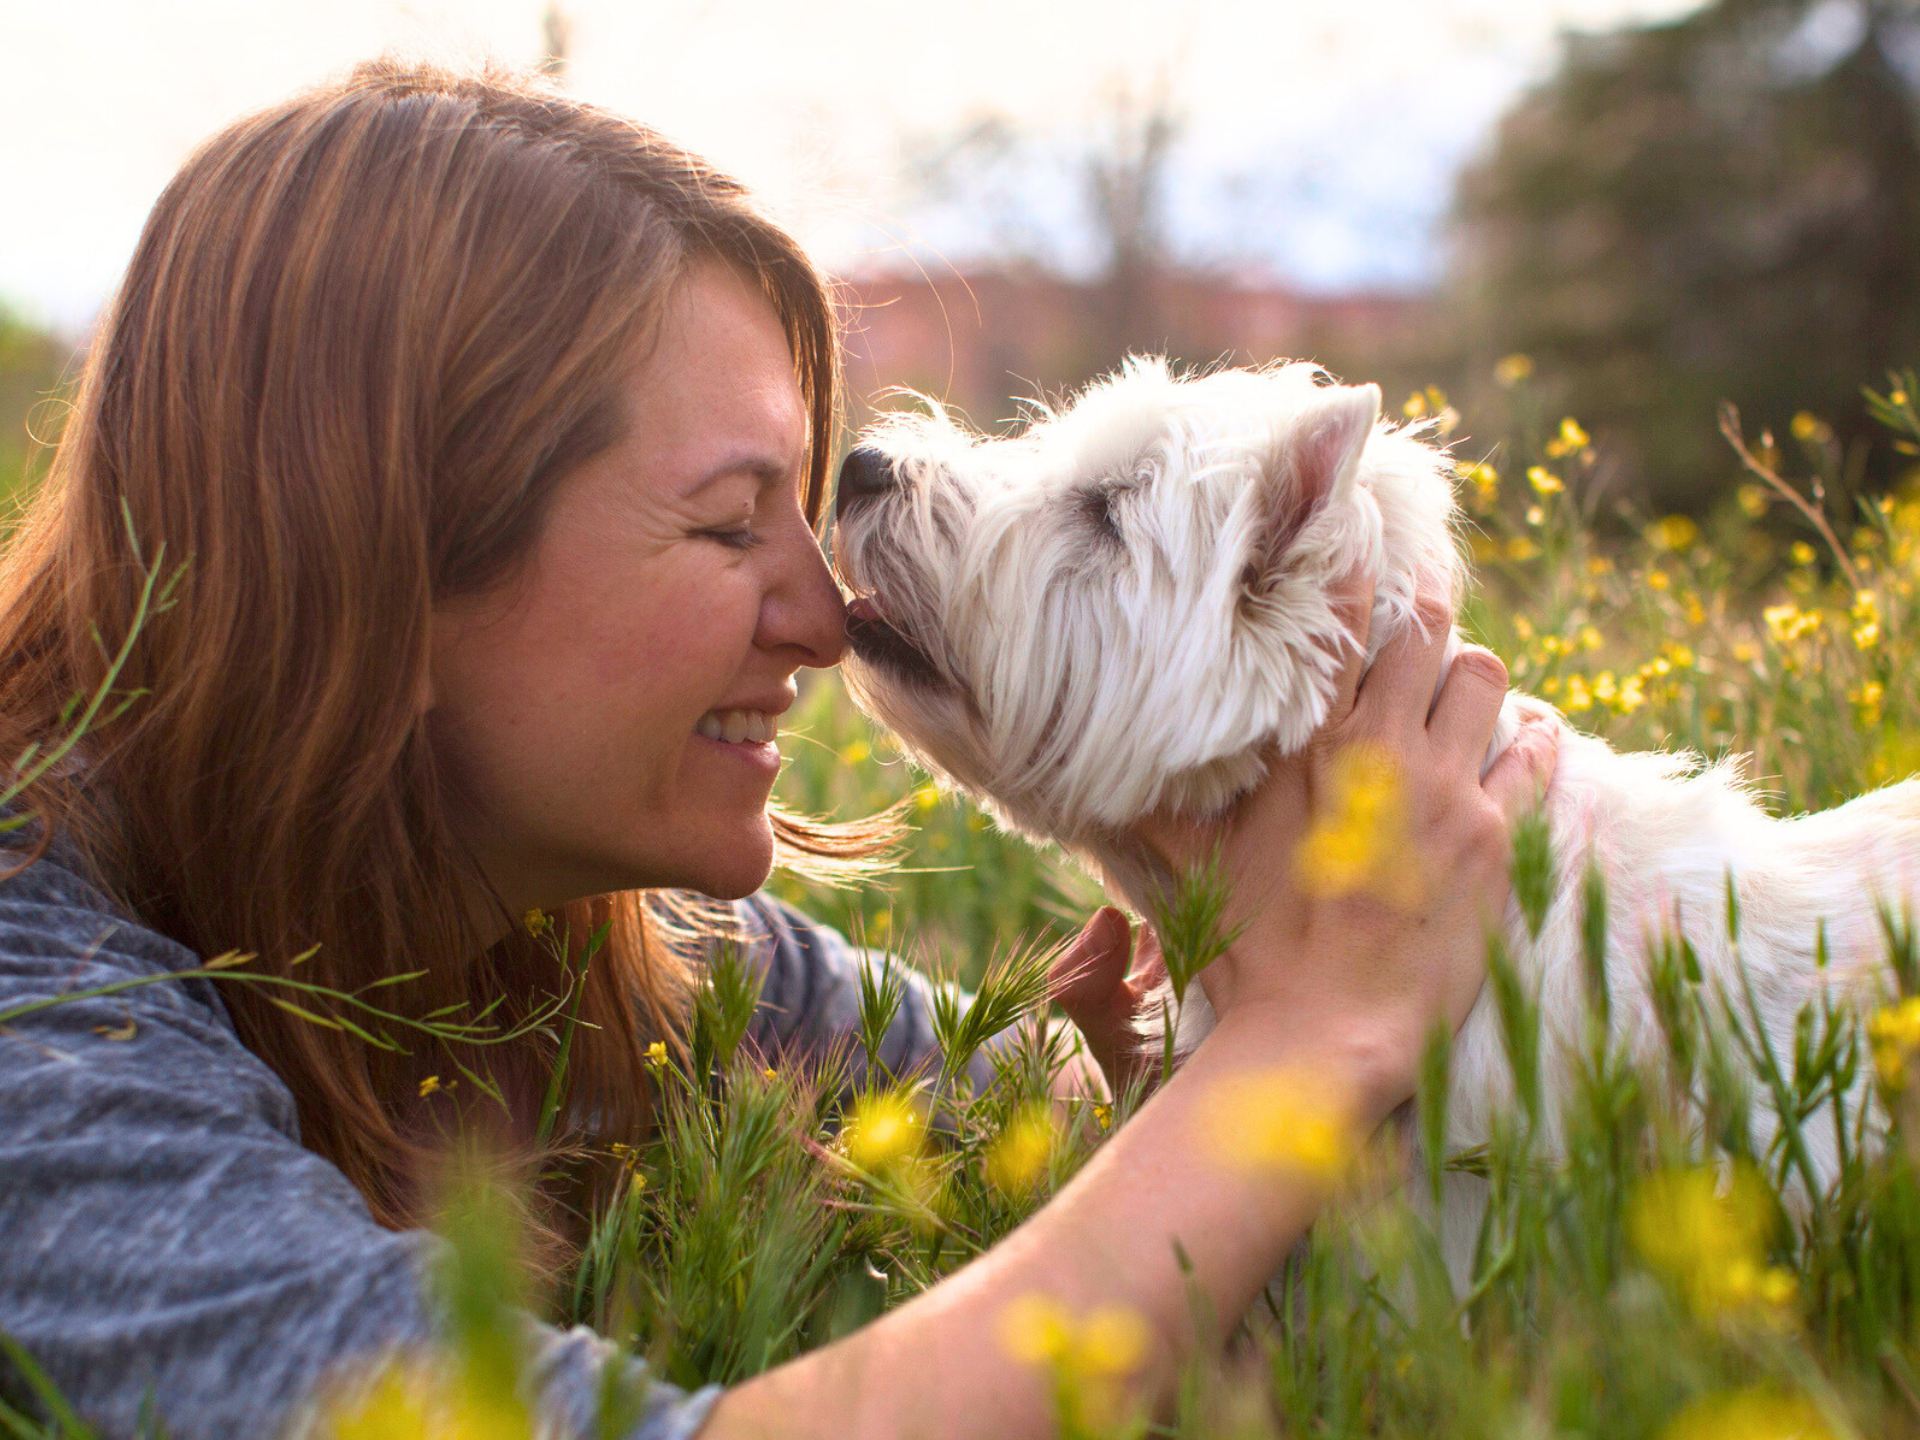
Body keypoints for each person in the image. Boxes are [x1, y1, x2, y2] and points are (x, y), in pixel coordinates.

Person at [0, 61, 1558, 1440]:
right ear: (367, 570)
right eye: (731, 522)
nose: (830, 613)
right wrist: (1310, 1041)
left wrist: (1172, 1027)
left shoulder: (633, 947)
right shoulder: (37, 1024)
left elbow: (1025, 1097)